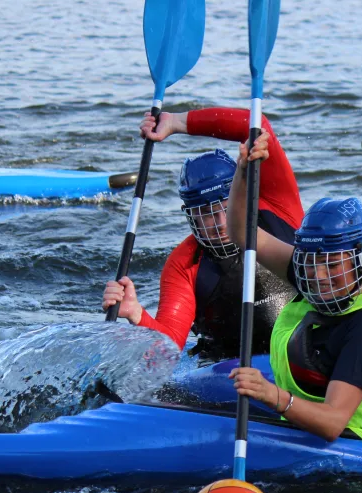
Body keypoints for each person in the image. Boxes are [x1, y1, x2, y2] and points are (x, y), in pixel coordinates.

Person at [227, 131, 362, 444]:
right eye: (310, 263)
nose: (319, 277)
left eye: (332, 265)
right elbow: (242, 233)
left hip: (358, 455)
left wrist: (269, 394)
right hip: (301, 436)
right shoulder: (314, 272)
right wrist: (243, 171)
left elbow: (332, 423)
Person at [102, 107, 304, 360]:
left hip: (301, 358)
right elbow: (168, 349)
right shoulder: (184, 265)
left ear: (243, 193)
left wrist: (176, 122)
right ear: (190, 215)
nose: (220, 222)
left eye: (226, 207)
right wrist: (136, 314)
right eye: (206, 213)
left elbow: (256, 124)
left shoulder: (280, 210)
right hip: (227, 371)